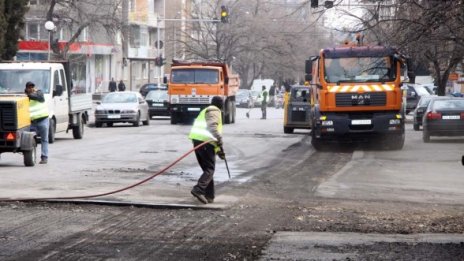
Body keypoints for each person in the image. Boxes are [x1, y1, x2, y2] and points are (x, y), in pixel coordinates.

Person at [189, 96, 225, 204]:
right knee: (209, 169)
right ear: (220, 104)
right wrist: (220, 141)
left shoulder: (207, 110)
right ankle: (198, 190)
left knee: (207, 170)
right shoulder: (214, 111)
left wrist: (219, 150)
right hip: (205, 142)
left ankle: (209, 196)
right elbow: (212, 128)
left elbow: (211, 133)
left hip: (198, 141)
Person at [25, 81, 49, 164]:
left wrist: (28, 95)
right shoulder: (25, 98)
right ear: (26, 88)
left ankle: (44, 157)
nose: (31, 88)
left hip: (43, 120)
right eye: (29, 87)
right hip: (32, 122)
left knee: (44, 139)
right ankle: (31, 156)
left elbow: (39, 97)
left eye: (32, 87)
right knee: (29, 140)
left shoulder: (39, 93)